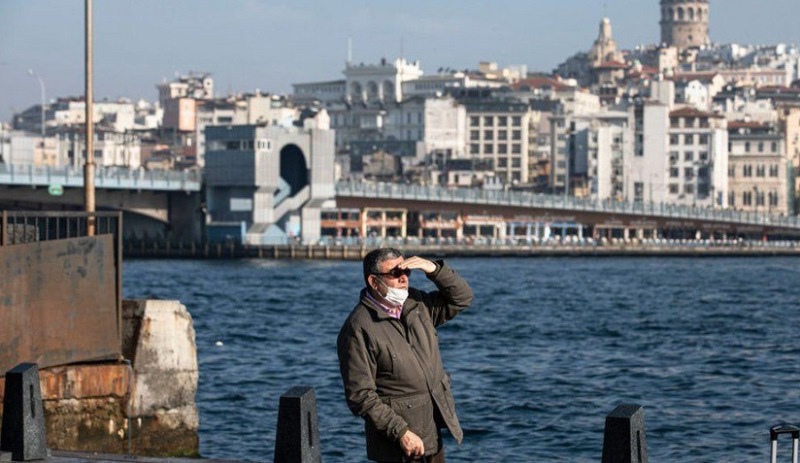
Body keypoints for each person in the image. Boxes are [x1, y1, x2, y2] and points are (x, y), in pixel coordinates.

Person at [337, 248, 474, 462]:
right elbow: (360, 395)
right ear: (374, 282)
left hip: (431, 432)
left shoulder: (417, 305)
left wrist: (433, 269)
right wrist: (401, 432)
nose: (403, 278)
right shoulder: (358, 328)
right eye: (395, 273)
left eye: (406, 271)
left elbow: (462, 298)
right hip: (399, 444)